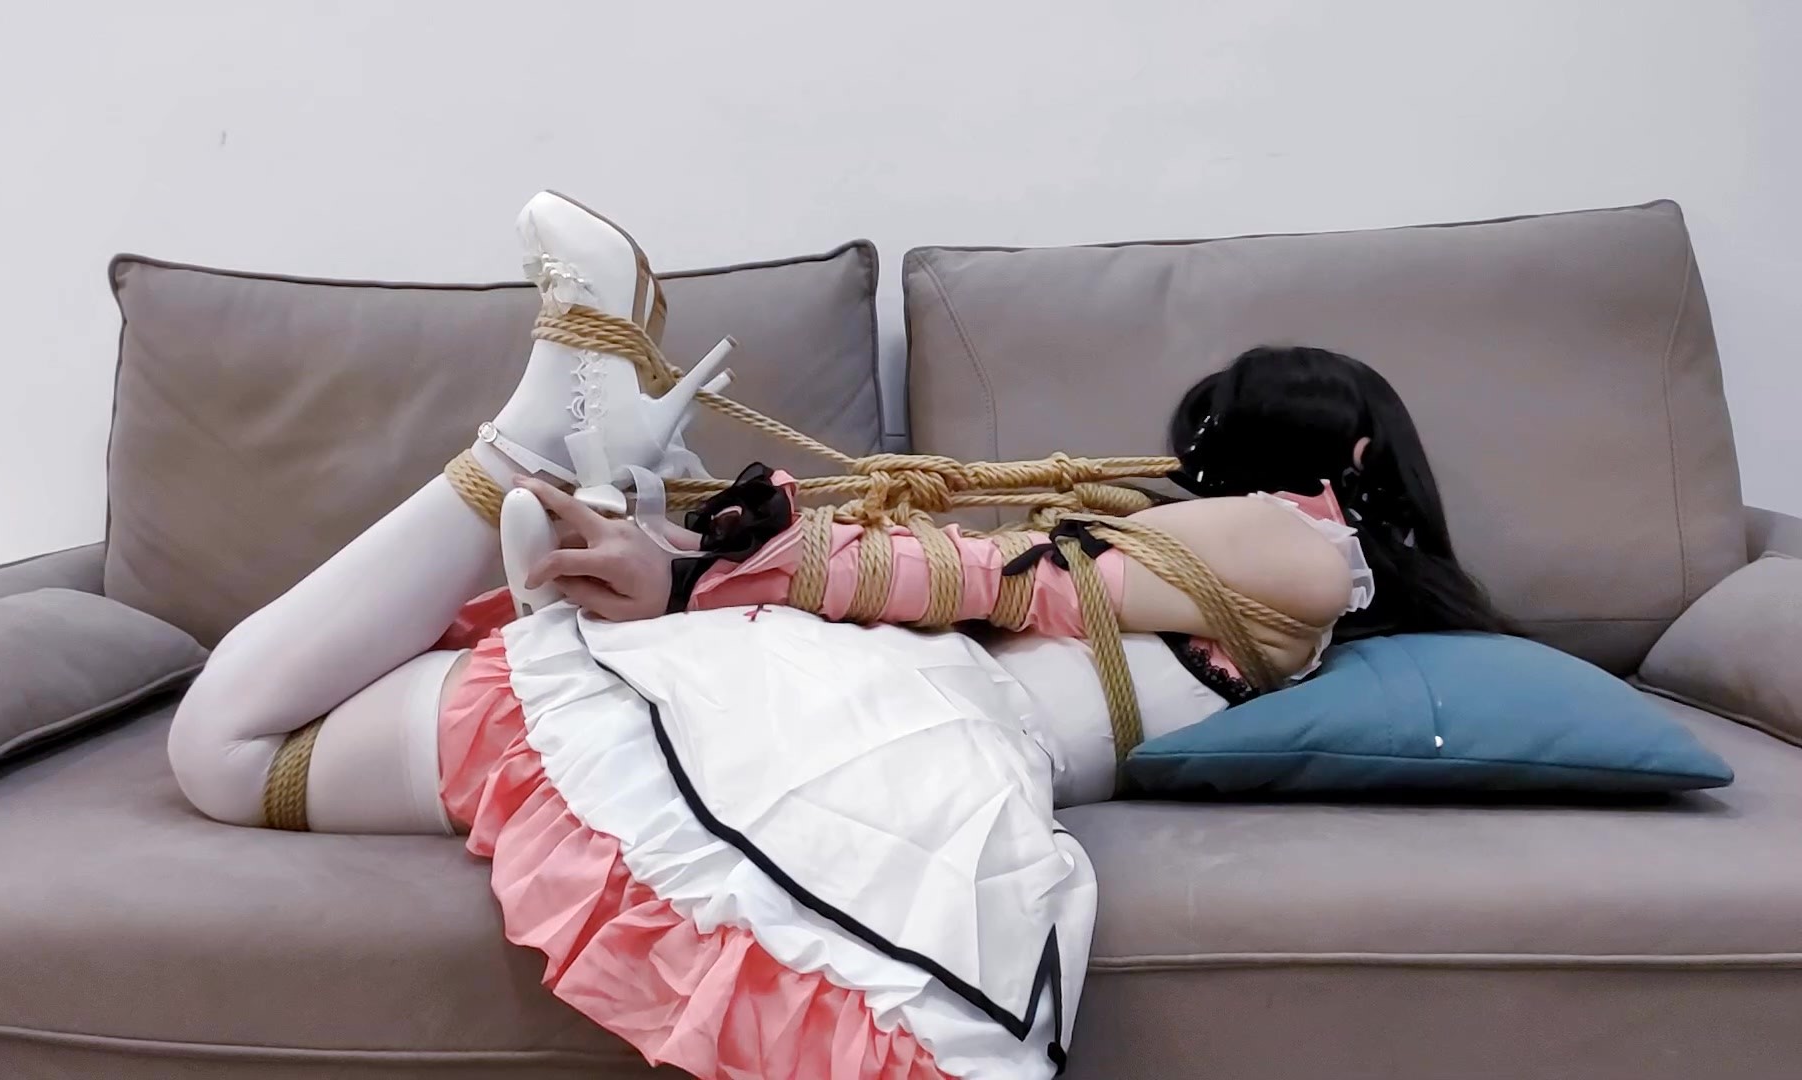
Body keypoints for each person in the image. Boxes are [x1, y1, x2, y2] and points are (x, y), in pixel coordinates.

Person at [166, 193, 1507, 1080]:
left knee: (231, 747)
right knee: (232, 746)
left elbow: (1007, 583)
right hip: (872, 695)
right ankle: (562, 442)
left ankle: (553, 436)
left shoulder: (1309, 549)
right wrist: (699, 571)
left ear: (1341, 464)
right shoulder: (1260, 579)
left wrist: (704, 574)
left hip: (879, 708)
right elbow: (997, 586)